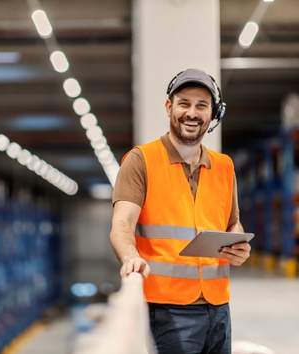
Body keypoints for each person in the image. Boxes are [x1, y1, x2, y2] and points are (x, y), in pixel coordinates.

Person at [109, 68, 251, 354]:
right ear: (169, 107)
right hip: (168, 311)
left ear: (213, 114)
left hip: (218, 307)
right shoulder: (142, 160)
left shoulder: (224, 166)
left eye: (202, 106)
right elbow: (121, 224)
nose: (192, 113)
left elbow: (233, 224)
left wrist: (238, 245)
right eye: (184, 103)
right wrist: (130, 256)